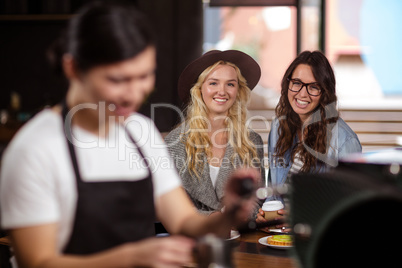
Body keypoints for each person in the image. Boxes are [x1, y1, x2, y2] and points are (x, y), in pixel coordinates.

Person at [0, 2, 260, 267]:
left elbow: (184, 221)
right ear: (73, 69)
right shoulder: (34, 148)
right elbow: (37, 262)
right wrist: (132, 257)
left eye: (144, 76)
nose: (133, 93)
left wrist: (231, 214)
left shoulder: (140, 131)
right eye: (117, 79)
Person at [256, 50, 362, 230]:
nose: (302, 94)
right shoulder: (278, 128)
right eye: (296, 83)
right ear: (287, 84)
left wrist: (303, 218)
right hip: (280, 236)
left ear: (325, 92)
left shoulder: (344, 140)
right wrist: (267, 215)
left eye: (313, 86)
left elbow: (349, 208)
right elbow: (275, 192)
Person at [165, 50, 265, 216]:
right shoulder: (175, 142)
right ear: (199, 89)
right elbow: (171, 208)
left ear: (238, 91)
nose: (222, 91)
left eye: (230, 84)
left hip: (240, 236)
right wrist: (215, 218)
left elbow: (256, 199)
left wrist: (246, 213)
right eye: (213, 83)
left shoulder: (252, 141)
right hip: (193, 236)